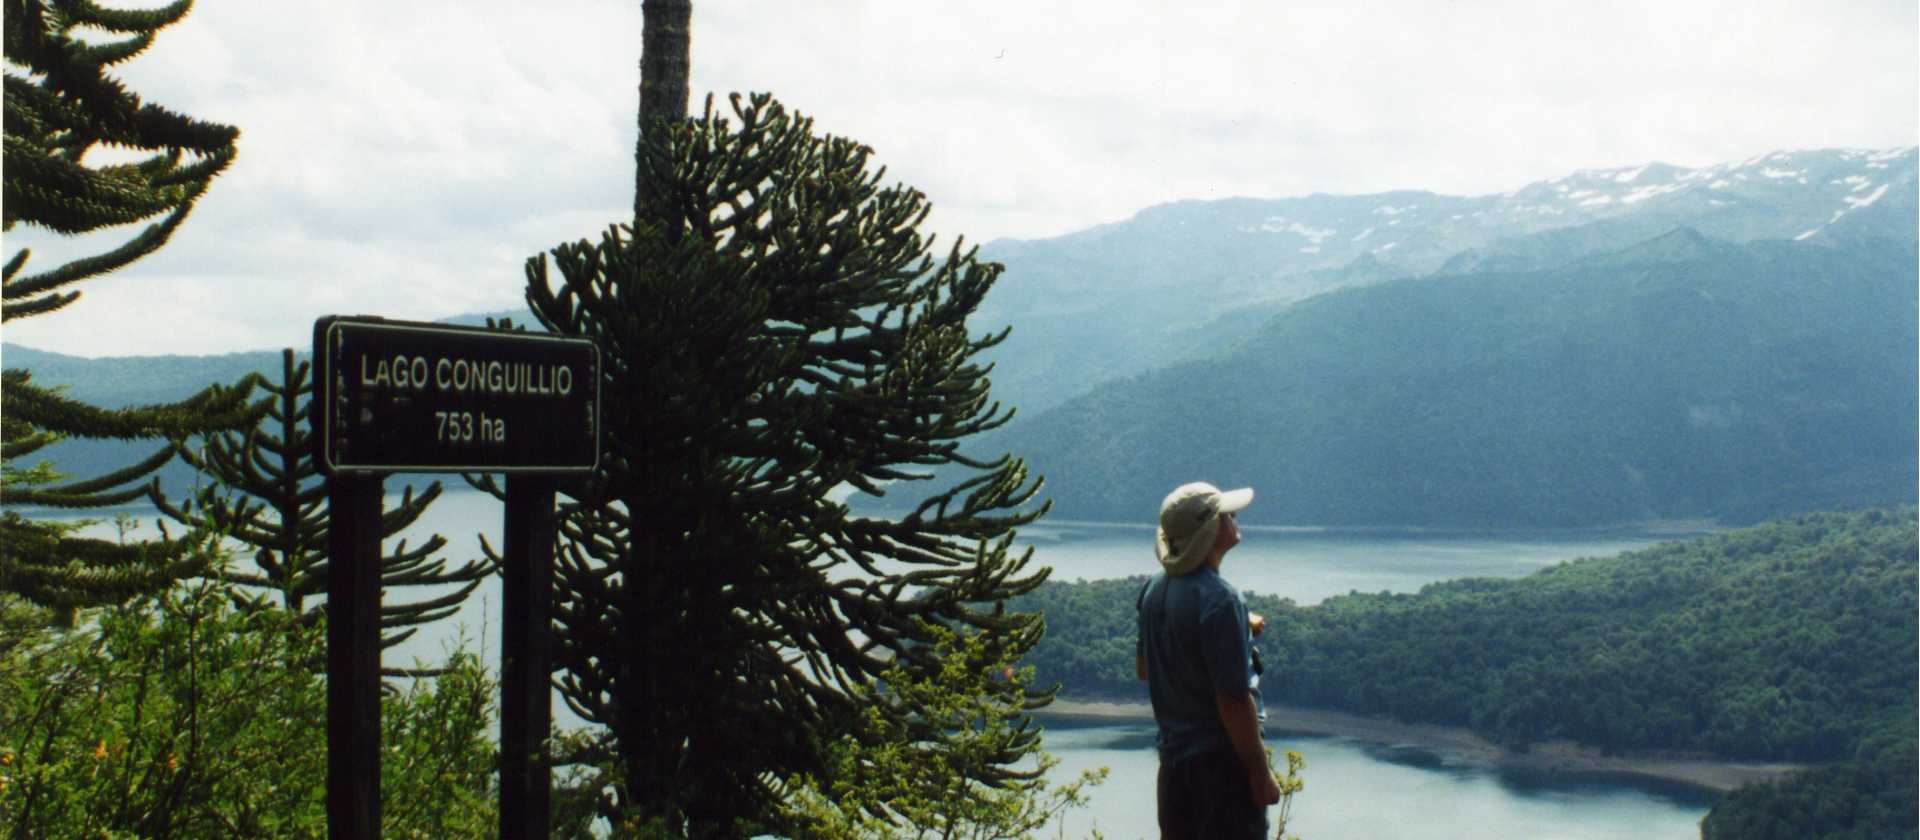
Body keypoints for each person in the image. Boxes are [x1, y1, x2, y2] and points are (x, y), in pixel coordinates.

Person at [1136, 481, 1280, 839]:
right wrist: (1259, 774)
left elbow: (1145, 668)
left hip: (1174, 771)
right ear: (1210, 532)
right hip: (1222, 773)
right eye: (1227, 515)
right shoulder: (1221, 601)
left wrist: (1238, 629)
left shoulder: (1154, 589)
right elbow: (1233, 700)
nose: (1234, 517)